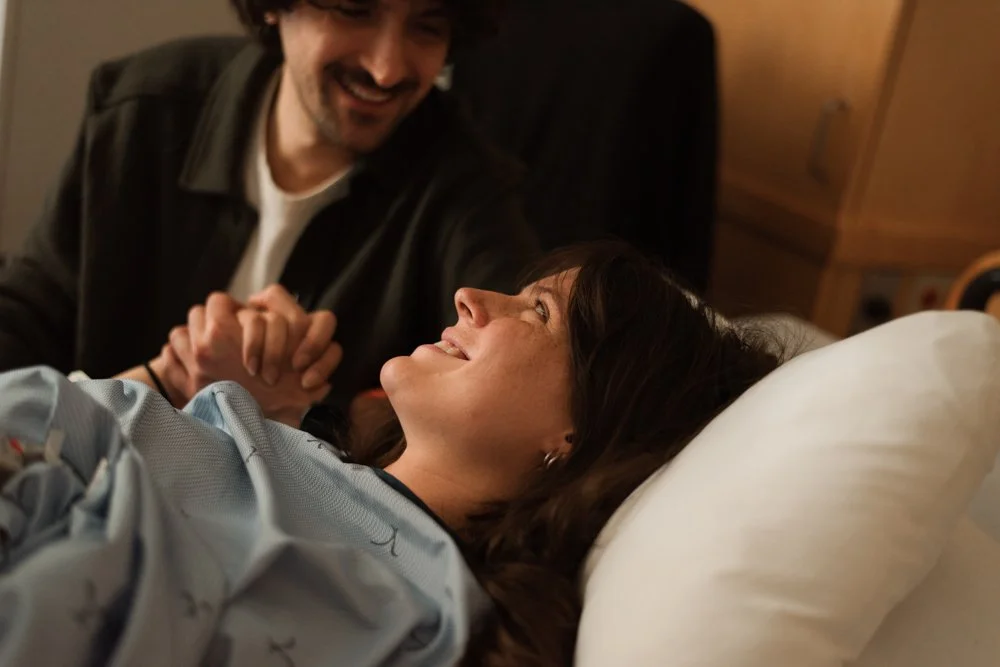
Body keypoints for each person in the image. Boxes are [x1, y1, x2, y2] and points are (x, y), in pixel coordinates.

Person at [0, 242, 779, 666]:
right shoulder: (275, 437)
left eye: (538, 312)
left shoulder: (423, 614)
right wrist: (170, 381)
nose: (472, 296)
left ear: (576, 434)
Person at [0, 0, 539, 421]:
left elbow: (516, 391)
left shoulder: (469, 187)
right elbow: (27, 318)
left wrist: (308, 413)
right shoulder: (142, 109)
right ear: (272, 5)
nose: (386, 68)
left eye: (427, 26)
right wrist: (167, 379)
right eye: (354, 10)